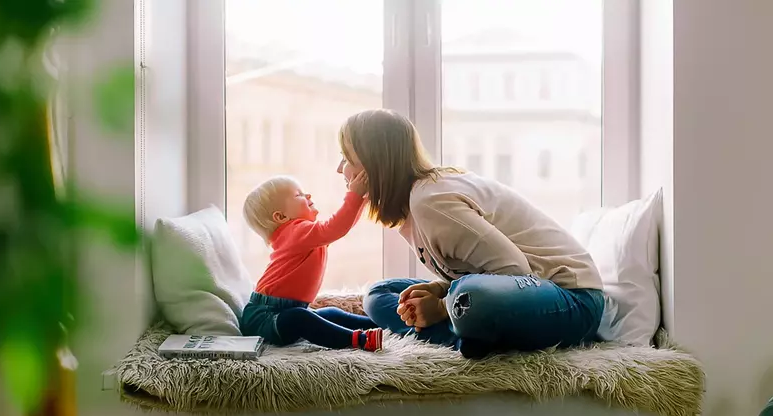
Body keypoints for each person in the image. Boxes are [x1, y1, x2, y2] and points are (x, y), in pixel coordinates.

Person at [336, 108, 610, 358]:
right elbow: (480, 274)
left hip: (572, 300)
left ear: (375, 165)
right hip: (515, 292)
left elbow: (515, 269)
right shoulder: (412, 207)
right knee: (379, 294)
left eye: (347, 158)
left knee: (469, 299)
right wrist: (437, 289)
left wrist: (442, 305)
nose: (340, 169)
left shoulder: (431, 202)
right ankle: (466, 338)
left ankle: (460, 331)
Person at [240, 173, 383, 351]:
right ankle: (358, 340)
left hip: (285, 311)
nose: (308, 195)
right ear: (281, 217)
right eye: (298, 195)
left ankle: (379, 325)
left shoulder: (303, 235)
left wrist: (362, 199)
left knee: (330, 313)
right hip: (264, 317)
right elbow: (336, 227)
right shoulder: (295, 232)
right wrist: (355, 195)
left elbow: (341, 228)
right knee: (300, 318)